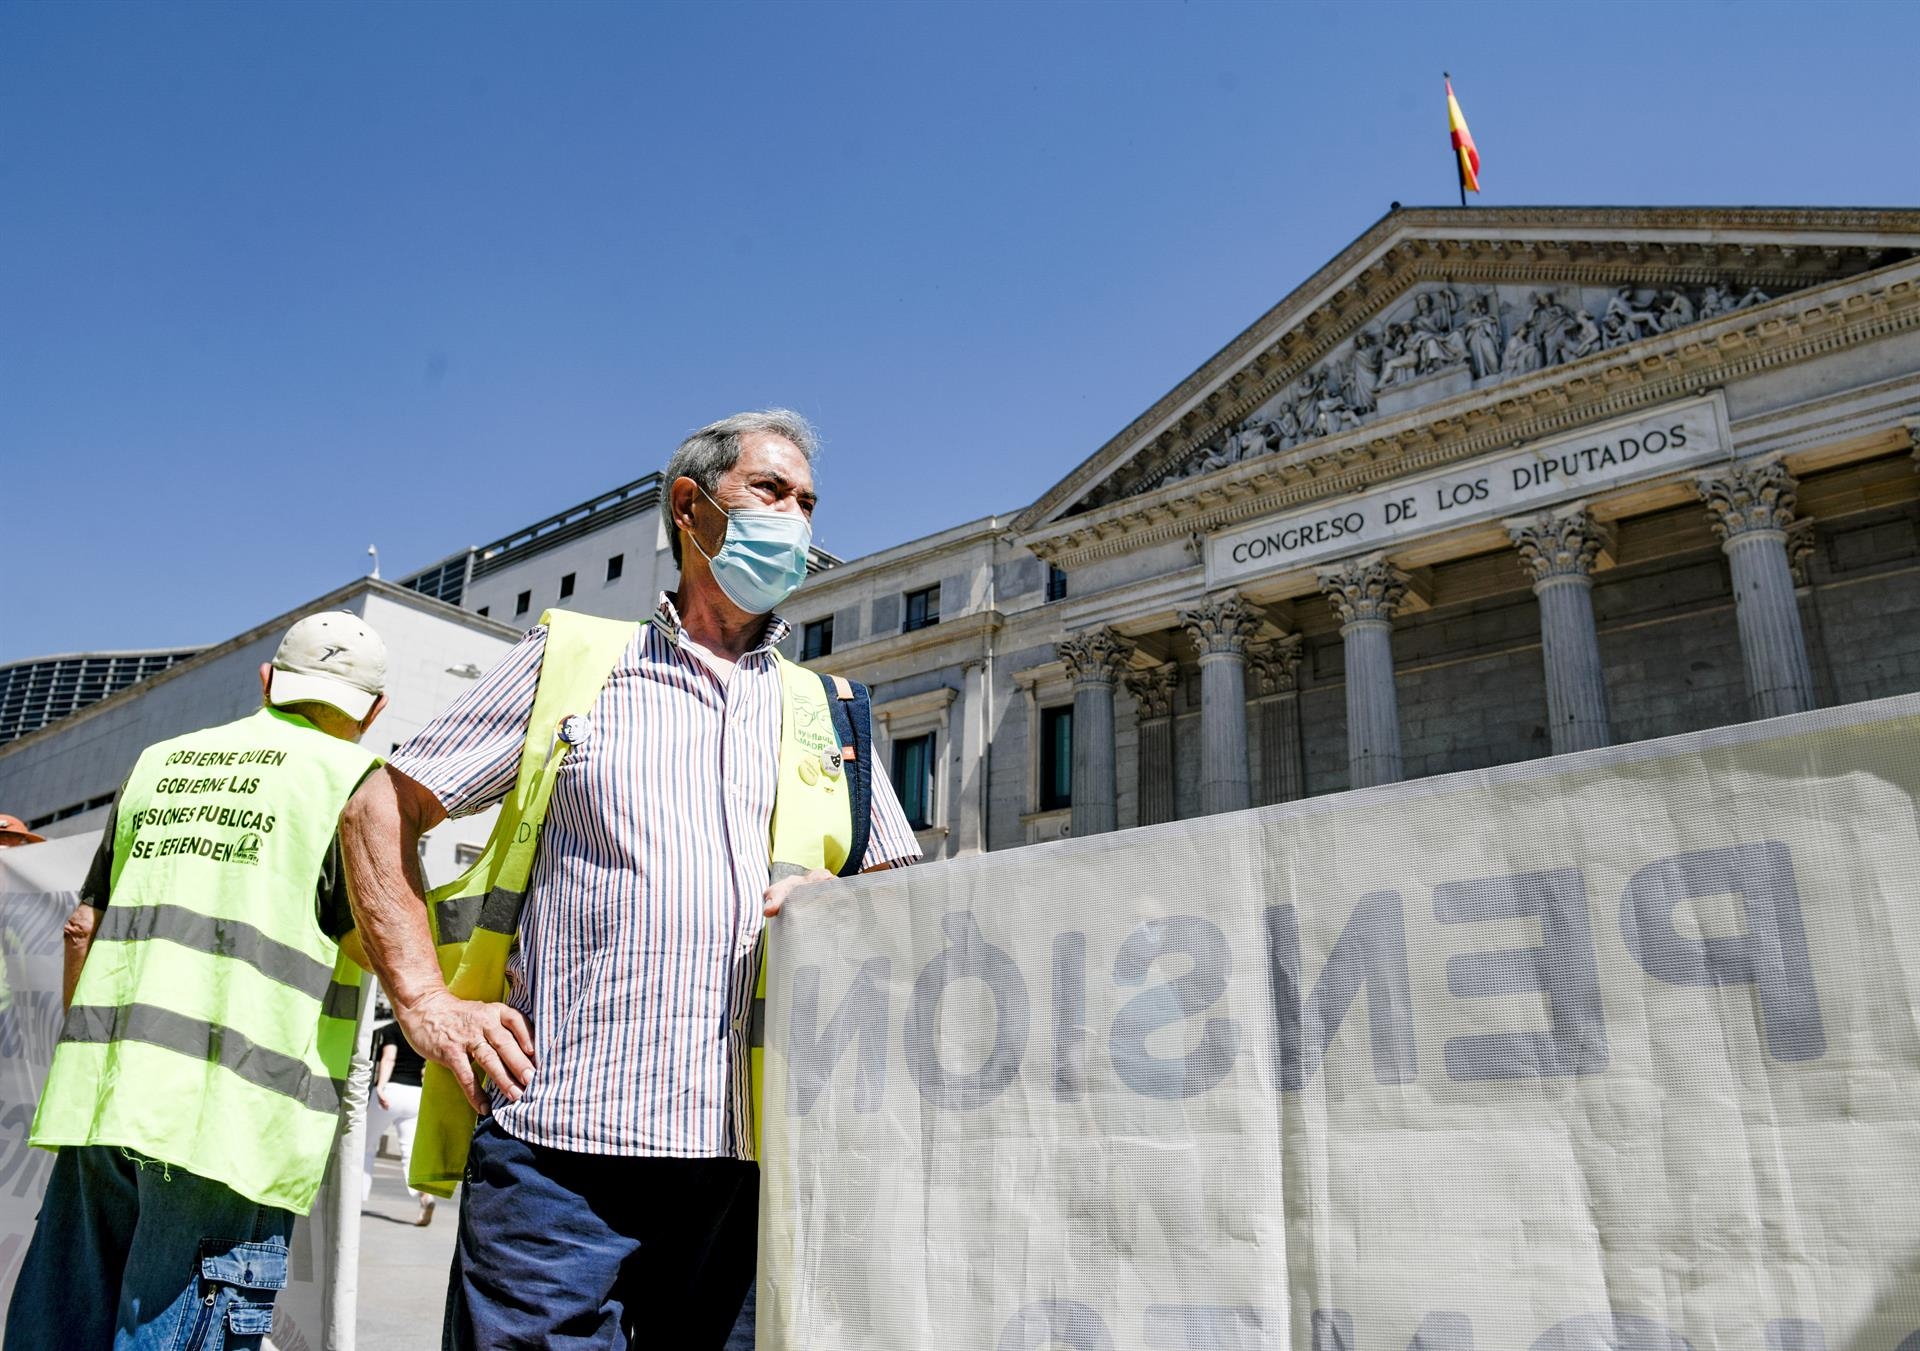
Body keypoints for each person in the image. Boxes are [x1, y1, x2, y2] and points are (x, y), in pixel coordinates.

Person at [340, 409, 921, 1351]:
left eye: (809, 502)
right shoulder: (574, 662)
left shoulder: (831, 712)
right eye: (771, 491)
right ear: (690, 507)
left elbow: (911, 903)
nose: (796, 517)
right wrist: (424, 1003)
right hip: (562, 1155)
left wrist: (849, 906)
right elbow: (379, 806)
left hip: (750, 1167)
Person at [6, 611, 389, 1351]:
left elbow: (82, 927)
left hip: (105, 1101)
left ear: (268, 681)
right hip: (228, 1119)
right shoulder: (351, 784)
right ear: (372, 711)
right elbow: (380, 946)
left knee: (61, 1323)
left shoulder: (160, 762)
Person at [363, 1013, 434, 1225]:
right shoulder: (421, 1032)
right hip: (415, 1094)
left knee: (365, 1145)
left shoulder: (393, 1029)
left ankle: (354, 1198)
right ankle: (425, 1196)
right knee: (410, 1152)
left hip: (392, 1090)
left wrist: (381, 1087)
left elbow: (389, 1058)